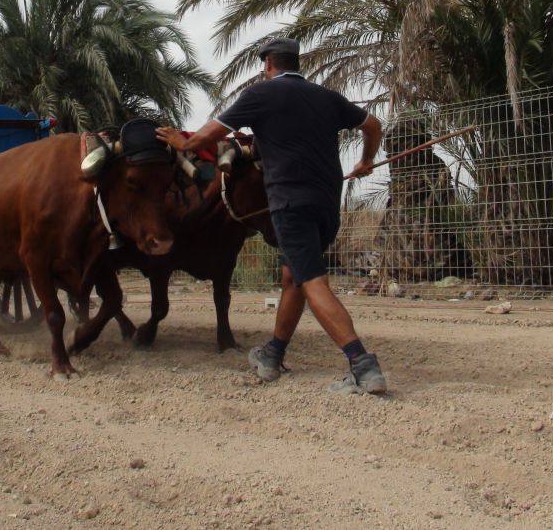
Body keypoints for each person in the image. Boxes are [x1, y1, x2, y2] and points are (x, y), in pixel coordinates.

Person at [157, 37, 387, 395]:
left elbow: (210, 134)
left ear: (267, 66)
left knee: (312, 282)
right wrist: (367, 160)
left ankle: (362, 364)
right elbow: (373, 126)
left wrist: (180, 142)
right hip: (328, 203)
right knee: (293, 275)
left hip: (290, 203)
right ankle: (272, 355)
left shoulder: (260, 96)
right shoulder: (326, 96)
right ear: (297, 64)